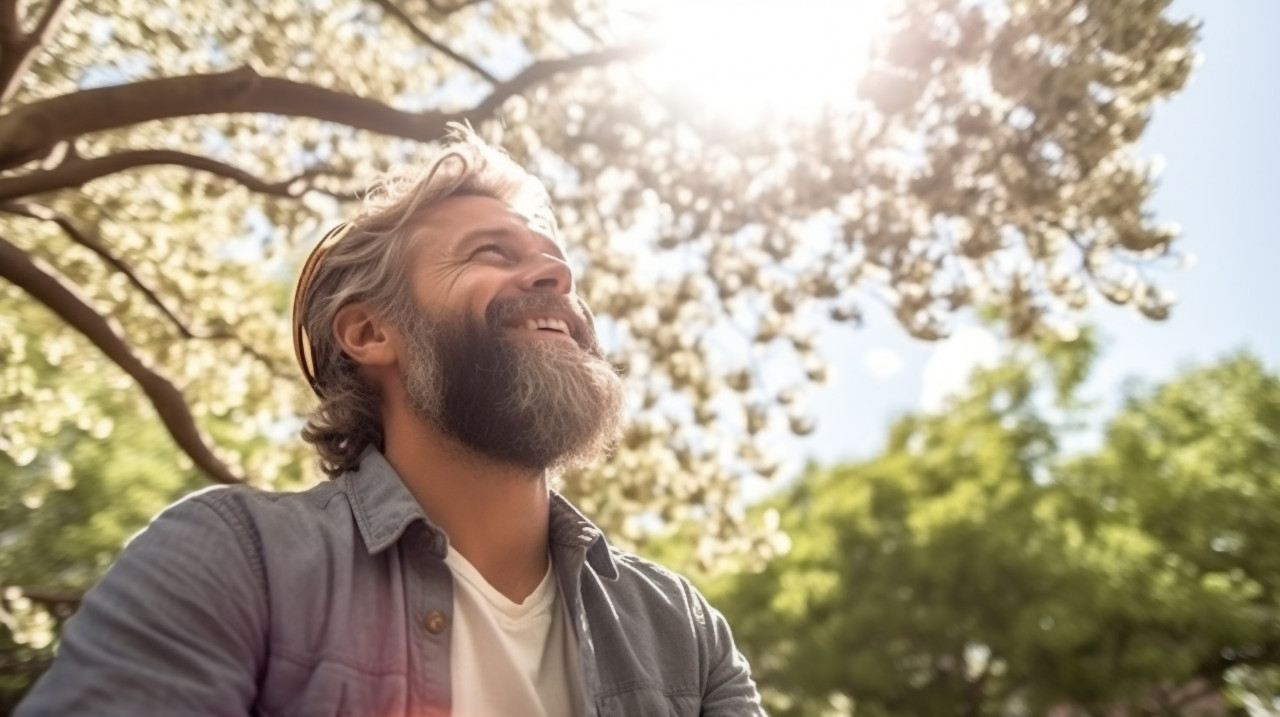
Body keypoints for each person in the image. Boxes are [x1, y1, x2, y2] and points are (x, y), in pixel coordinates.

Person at [15, 126, 765, 716]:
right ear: (371, 334)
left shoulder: (682, 628)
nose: (556, 277)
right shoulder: (234, 561)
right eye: (490, 253)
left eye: (554, 260)